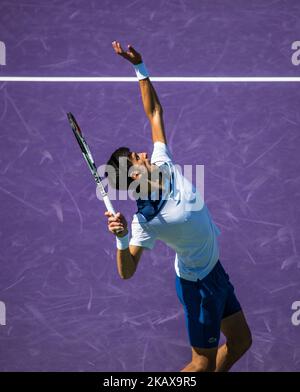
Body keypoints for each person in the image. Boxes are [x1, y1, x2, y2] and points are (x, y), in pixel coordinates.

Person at [104, 40, 252, 372]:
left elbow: (154, 112)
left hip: (215, 270)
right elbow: (127, 272)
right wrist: (122, 236)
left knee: (241, 341)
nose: (143, 153)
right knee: (200, 366)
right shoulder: (147, 219)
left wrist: (139, 67)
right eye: (136, 159)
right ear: (134, 176)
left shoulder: (162, 161)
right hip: (198, 285)